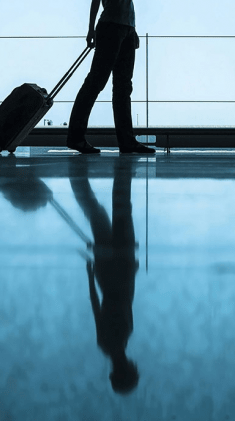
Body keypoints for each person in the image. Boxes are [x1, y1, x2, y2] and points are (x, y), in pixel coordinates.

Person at [67, 0, 154, 154]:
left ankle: (126, 141)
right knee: (97, 82)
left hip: (124, 28)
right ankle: (76, 137)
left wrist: (133, 28)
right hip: (112, 27)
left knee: (122, 86)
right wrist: (91, 27)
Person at [70, 157, 141, 394]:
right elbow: (100, 304)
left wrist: (131, 270)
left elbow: (117, 300)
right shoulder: (110, 342)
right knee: (100, 212)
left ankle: (117, 173)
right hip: (109, 270)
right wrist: (91, 274)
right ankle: (79, 181)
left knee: (117, 209)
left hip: (118, 267)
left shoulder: (117, 339)